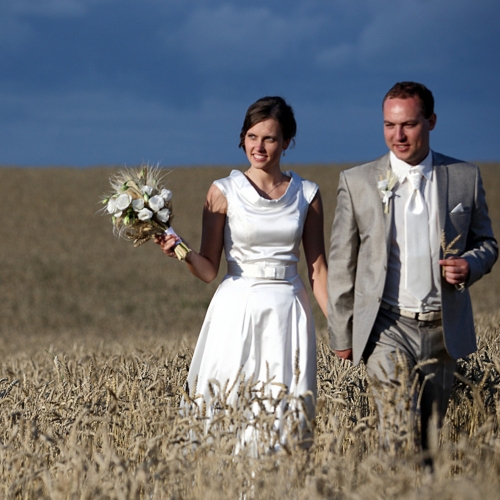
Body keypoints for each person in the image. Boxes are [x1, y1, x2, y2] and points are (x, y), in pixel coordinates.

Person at [327, 81, 497, 460]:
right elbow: (341, 261)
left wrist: (469, 265)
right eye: (389, 125)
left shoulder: (464, 177)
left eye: (408, 125)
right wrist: (342, 330)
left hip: (442, 329)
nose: (398, 135)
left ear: (431, 121)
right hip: (387, 327)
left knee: (430, 442)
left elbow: (487, 244)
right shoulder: (357, 182)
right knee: (398, 436)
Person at [155, 96, 328, 450]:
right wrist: (179, 249)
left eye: (269, 138)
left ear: (287, 142)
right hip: (235, 309)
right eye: (252, 136)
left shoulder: (308, 195)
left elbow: (318, 270)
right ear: (242, 138)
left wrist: (342, 329)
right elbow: (208, 270)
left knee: (286, 416)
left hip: (289, 313)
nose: (259, 146)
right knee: (227, 408)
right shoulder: (222, 191)